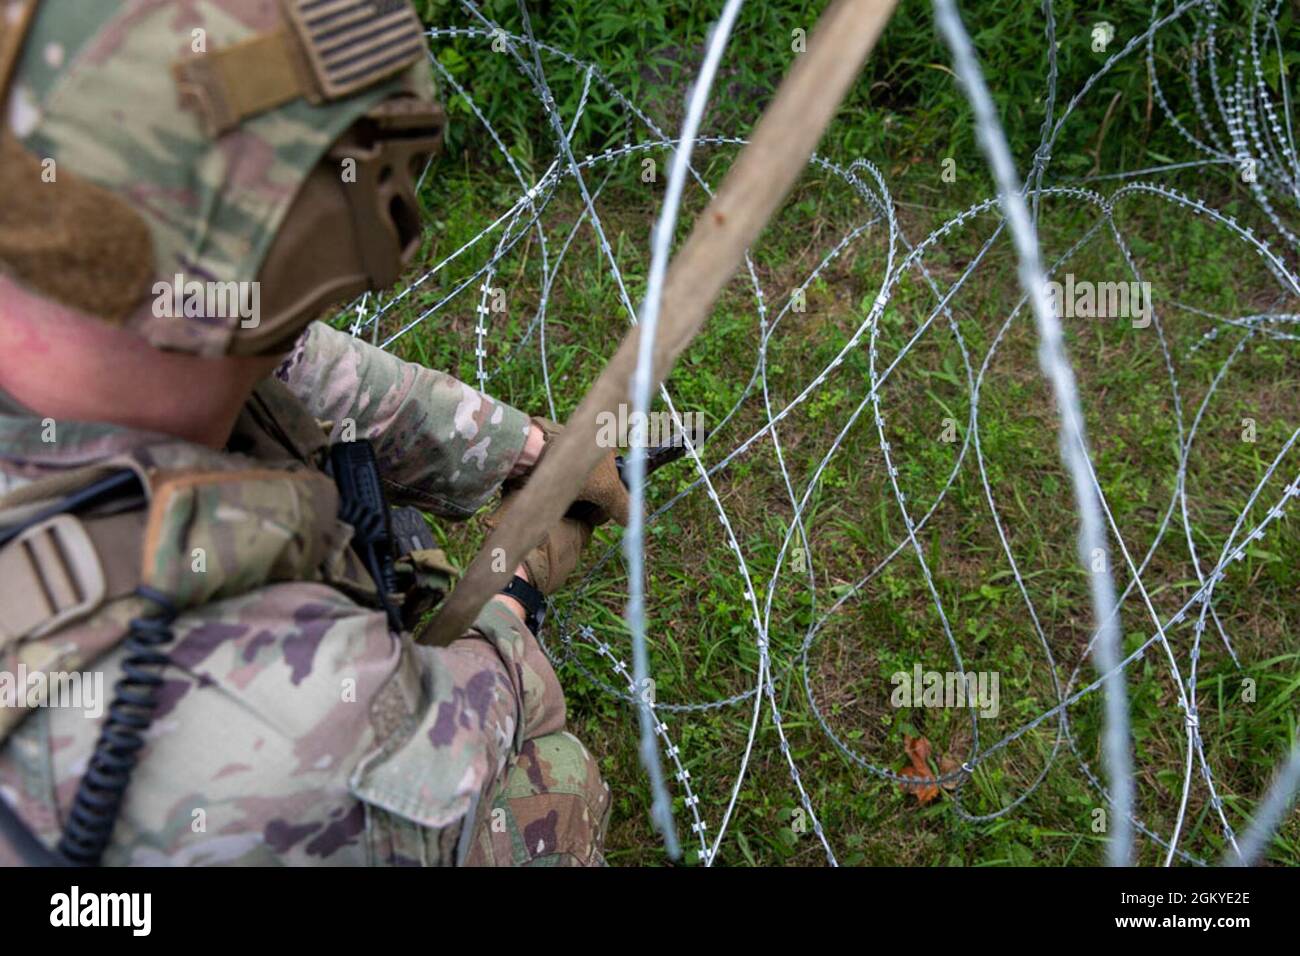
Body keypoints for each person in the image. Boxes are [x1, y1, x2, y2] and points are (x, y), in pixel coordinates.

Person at [0, 0, 625, 866]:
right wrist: (513, 611)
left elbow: (293, 361)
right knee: (549, 788)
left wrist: (519, 449)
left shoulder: (74, 269)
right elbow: (441, 749)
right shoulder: (279, 740)